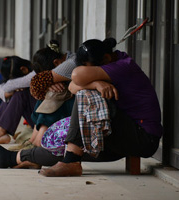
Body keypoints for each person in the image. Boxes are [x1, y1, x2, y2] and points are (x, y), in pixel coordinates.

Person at [39, 38, 163, 176]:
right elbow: (72, 86)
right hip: (125, 132)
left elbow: (76, 76)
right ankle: (16, 158)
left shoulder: (123, 66)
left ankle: (71, 161)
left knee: (86, 95)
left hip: (143, 138)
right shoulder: (111, 61)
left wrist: (90, 86)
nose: (88, 71)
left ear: (106, 58)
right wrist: (95, 84)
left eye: (89, 68)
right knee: (60, 150)